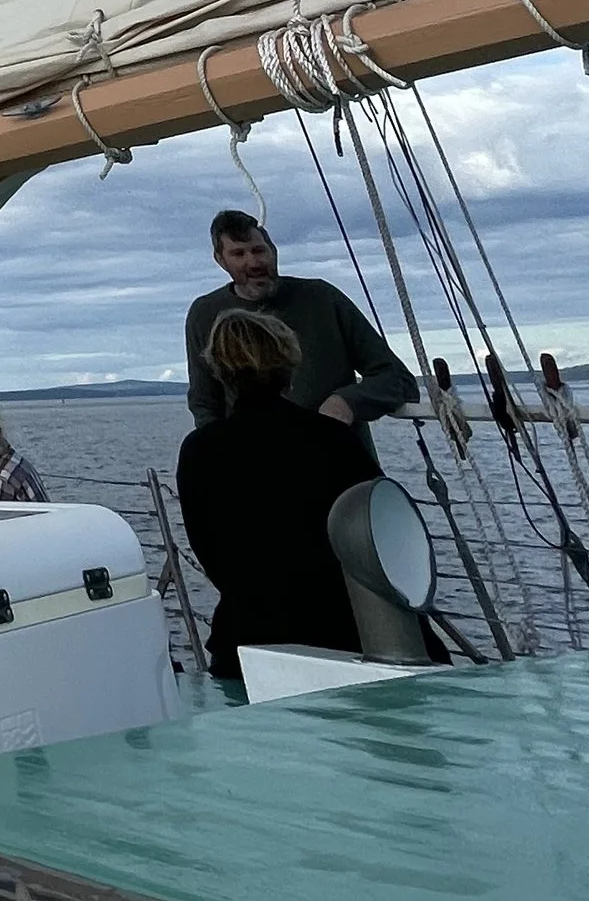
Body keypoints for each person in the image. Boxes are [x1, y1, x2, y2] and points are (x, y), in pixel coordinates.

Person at [175, 310, 382, 678]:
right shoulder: (333, 441)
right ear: (288, 363)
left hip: (246, 641)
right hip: (344, 634)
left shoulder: (200, 452)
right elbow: (378, 530)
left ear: (221, 371)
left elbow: (207, 548)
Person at [185, 210, 417, 448]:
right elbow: (205, 404)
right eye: (238, 254)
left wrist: (347, 402)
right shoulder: (204, 315)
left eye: (258, 250)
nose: (253, 263)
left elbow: (397, 378)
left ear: (273, 251)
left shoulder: (323, 300)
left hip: (341, 464)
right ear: (220, 260)